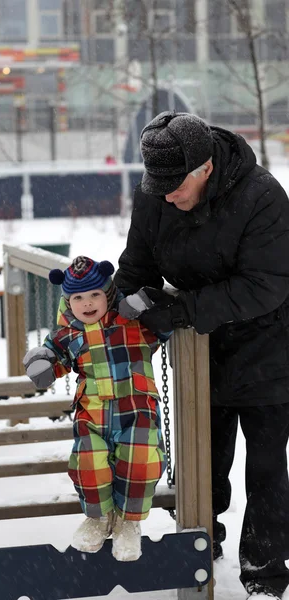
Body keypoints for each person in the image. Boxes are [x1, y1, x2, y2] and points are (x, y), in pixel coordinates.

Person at [114, 110, 289, 599]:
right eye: (158, 183)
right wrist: (115, 309)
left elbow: (267, 284)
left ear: (205, 169)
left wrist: (182, 309)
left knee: (267, 466)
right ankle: (198, 545)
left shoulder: (262, 197)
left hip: (269, 346)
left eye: (174, 185)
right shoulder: (157, 196)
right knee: (201, 457)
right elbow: (136, 266)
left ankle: (265, 571)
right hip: (201, 349)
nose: (166, 194)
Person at [23, 255, 165, 562]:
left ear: (109, 294)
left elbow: (166, 322)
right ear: (68, 301)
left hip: (136, 409)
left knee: (140, 460)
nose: (87, 304)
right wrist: (43, 364)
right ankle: (97, 518)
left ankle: (129, 522)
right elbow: (55, 356)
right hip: (93, 413)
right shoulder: (68, 333)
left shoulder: (133, 323)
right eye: (78, 298)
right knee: (88, 462)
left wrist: (147, 303)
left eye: (94, 295)